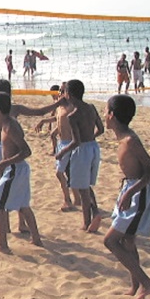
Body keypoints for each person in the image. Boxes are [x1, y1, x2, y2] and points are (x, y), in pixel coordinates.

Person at [0, 79, 64, 233]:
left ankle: (6, 226)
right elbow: (40, 111)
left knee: (3, 188)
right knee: (13, 187)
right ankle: (20, 223)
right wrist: (57, 104)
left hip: (0, 149)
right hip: (10, 149)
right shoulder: (13, 108)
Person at [102, 94, 150, 299]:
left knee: (110, 240)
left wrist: (129, 192)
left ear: (112, 115)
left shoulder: (130, 140)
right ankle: (136, 285)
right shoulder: (122, 137)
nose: (104, 115)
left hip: (140, 191)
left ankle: (147, 283)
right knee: (127, 240)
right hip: (132, 187)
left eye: (106, 111)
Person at [0, 91, 42, 252]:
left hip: (15, 169)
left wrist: (4, 163)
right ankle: (36, 239)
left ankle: (3, 245)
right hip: (16, 168)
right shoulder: (7, 123)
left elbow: (26, 151)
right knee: (23, 205)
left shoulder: (10, 126)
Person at [55, 79, 104, 232]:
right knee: (86, 184)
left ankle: (86, 222)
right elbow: (101, 129)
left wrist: (62, 152)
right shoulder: (91, 107)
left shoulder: (73, 115)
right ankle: (95, 212)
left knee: (82, 189)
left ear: (68, 94)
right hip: (94, 147)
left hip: (82, 149)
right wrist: (91, 137)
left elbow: (76, 142)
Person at [35, 85, 82, 212]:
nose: (60, 93)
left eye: (63, 91)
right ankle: (76, 199)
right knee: (67, 172)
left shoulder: (72, 107)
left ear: (69, 93)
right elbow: (57, 119)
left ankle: (68, 200)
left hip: (70, 143)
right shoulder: (59, 106)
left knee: (60, 173)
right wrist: (44, 121)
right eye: (59, 91)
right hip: (62, 142)